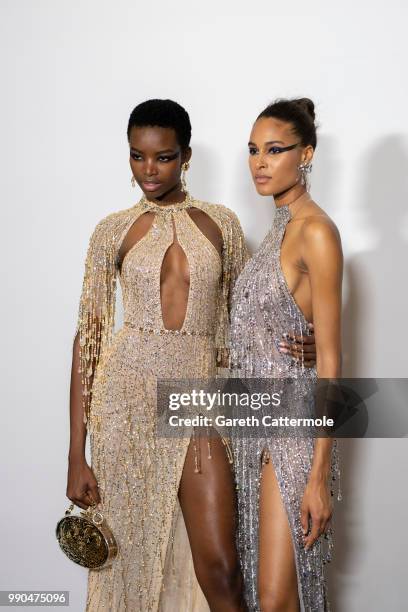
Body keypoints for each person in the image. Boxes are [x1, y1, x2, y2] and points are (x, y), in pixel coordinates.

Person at [67, 99, 248, 611]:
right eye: (137, 156)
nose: (149, 170)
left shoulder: (222, 225)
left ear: (186, 156)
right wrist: (76, 452)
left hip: (196, 401)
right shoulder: (112, 231)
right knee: (127, 566)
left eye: (163, 157)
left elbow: (244, 321)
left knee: (221, 566)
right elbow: (89, 339)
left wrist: (308, 343)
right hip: (124, 402)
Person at [230, 98, 342, 612]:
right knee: (262, 593)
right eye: (254, 150)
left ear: (307, 153)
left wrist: (318, 476)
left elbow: (333, 363)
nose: (260, 162)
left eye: (275, 150)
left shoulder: (316, 231)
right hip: (253, 426)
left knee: (277, 596)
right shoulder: (277, 229)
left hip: (293, 430)